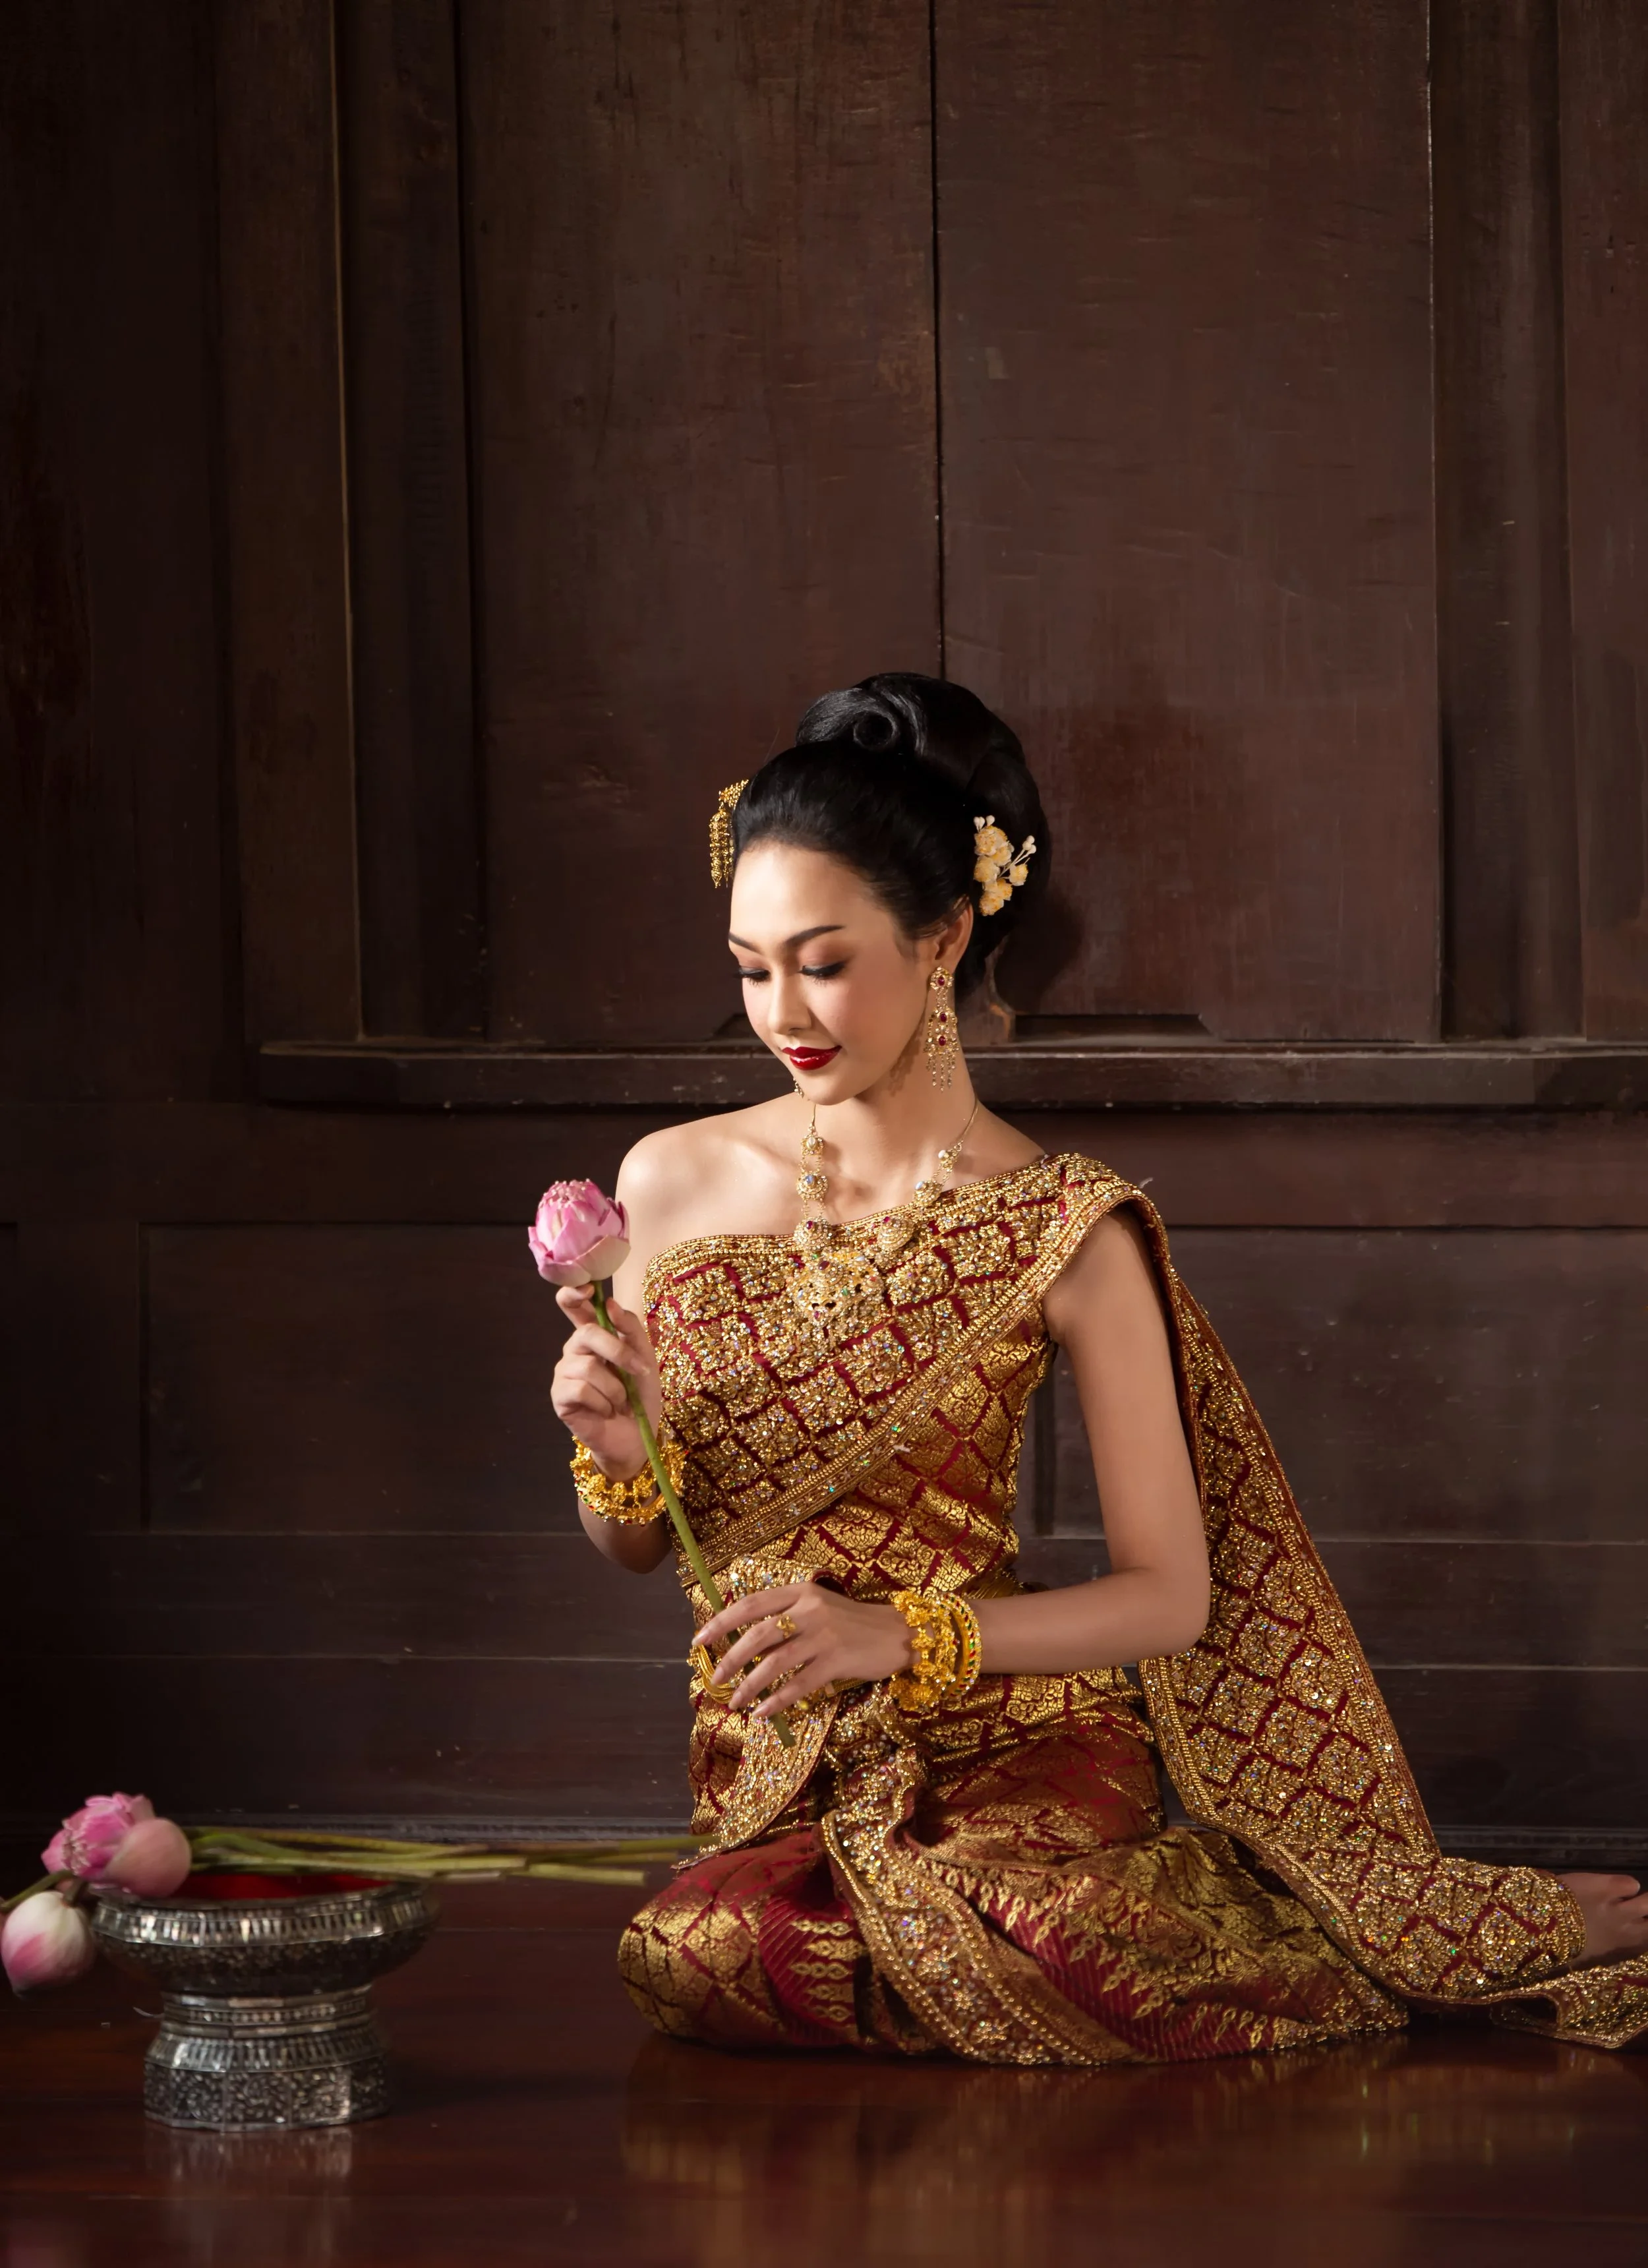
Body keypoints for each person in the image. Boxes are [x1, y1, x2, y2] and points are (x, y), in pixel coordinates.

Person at [550, 672, 1648, 2062]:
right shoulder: (671, 1179)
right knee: (695, 1953)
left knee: (1009, 1927)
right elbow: (636, 1549)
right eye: (748, 964)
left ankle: (1438, 1925)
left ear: (944, 934)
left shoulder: (1062, 1223)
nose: (782, 1009)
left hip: (1006, 1729)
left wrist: (898, 1636)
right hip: (776, 1760)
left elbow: (1169, 1596)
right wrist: (618, 1454)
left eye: (820, 961)